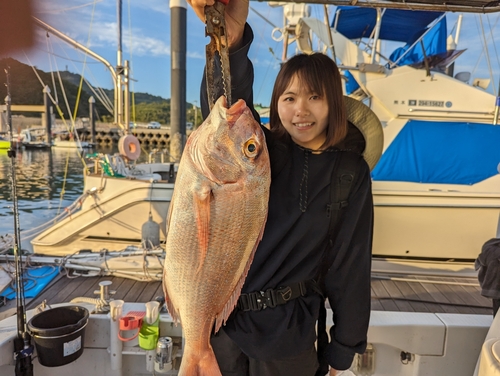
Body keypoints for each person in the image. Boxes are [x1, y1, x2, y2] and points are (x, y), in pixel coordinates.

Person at [188, 0, 381, 375]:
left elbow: (350, 265)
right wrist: (231, 39)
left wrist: (343, 348)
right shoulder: (260, 152)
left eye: (315, 97)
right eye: (289, 98)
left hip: (289, 338)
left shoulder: (349, 173)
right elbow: (223, 111)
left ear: (334, 104)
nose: (300, 111)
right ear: (277, 104)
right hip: (223, 327)